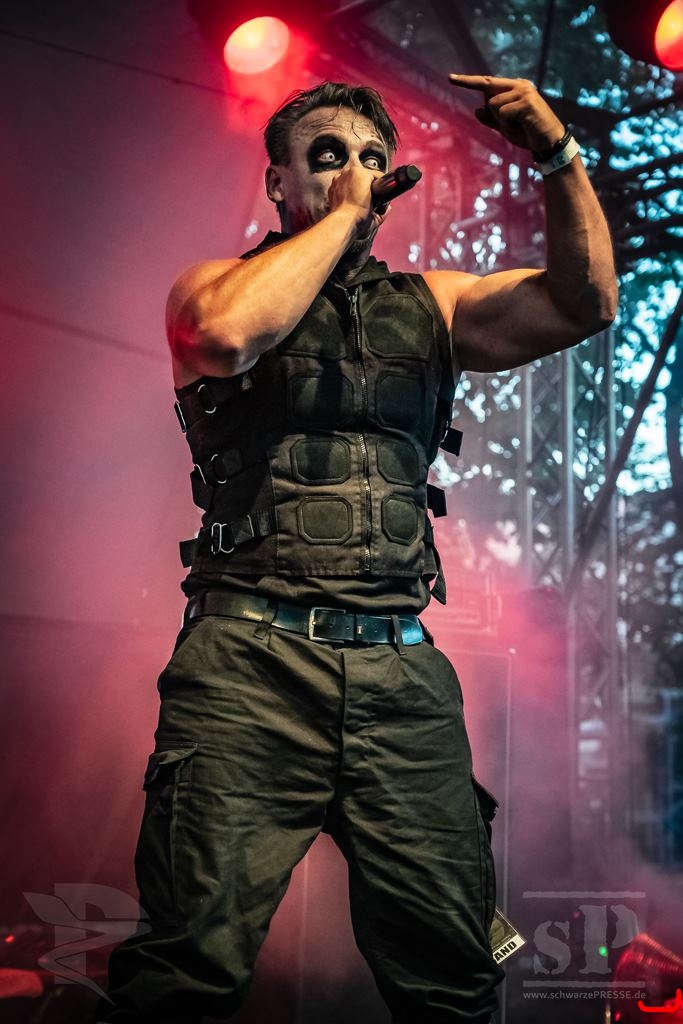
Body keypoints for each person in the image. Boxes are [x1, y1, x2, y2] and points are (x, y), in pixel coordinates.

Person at [95, 77, 617, 1024]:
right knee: (184, 974)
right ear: (277, 181)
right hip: (247, 667)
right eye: (328, 156)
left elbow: (585, 305)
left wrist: (558, 155)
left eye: (372, 159)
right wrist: (340, 219)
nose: (356, 173)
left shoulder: (433, 305)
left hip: (399, 678)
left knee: (455, 977)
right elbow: (226, 336)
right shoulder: (210, 287)